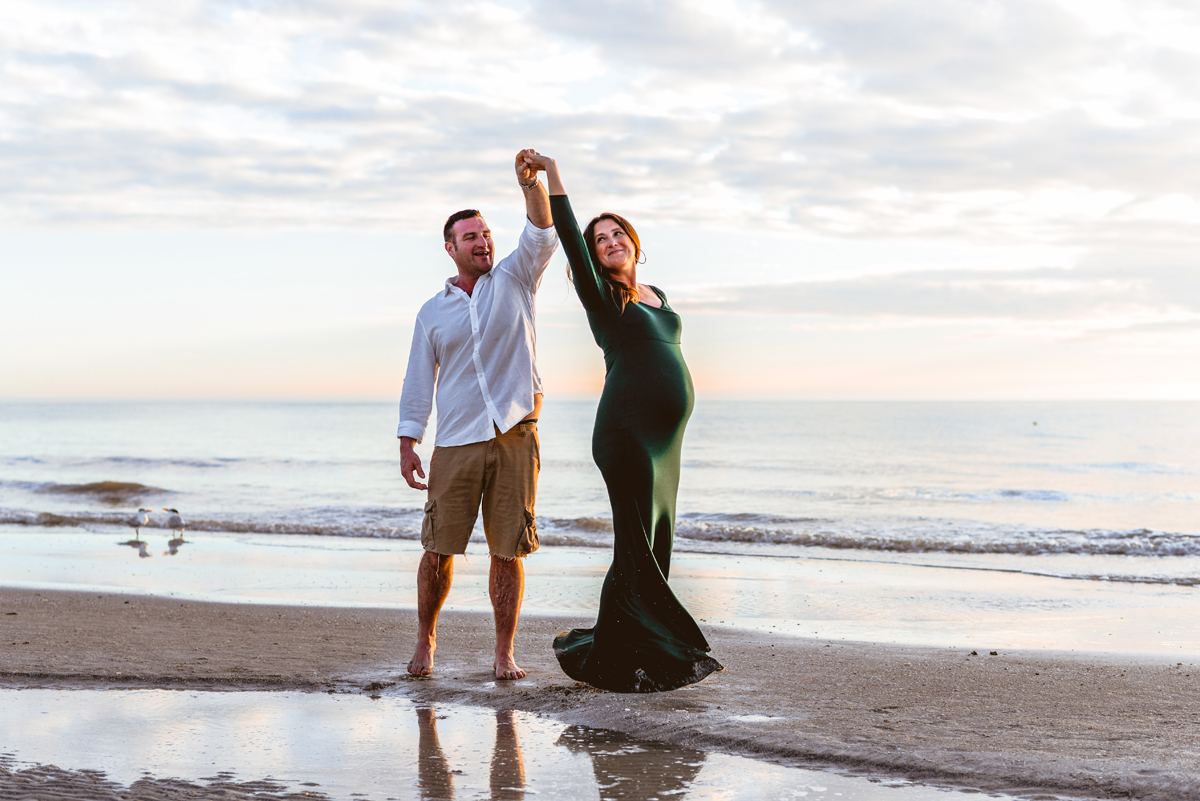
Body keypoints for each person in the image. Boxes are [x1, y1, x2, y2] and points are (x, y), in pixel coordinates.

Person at [519, 152, 722, 692]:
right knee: (636, 546)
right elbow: (565, 230)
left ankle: (634, 651)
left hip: (666, 442)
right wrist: (551, 173)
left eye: (617, 235)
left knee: (657, 543)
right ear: (593, 254)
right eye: (600, 239)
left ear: (635, 243)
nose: (610, 243)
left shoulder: (658, 295)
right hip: (627, 435)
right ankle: (617, 658)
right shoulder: (601, 296)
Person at [397, 149, 558, 681]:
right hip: (457, 441)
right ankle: (425, 643)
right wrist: (408, 440)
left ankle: (503, 653)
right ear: (451, 249)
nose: (483, 242)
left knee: (508, 551)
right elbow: (420, 379)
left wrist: (530, 183)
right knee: (438, 549)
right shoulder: (432, 311)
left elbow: (540, 229)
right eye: (471, 237)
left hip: (515, 433)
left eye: (486, 233)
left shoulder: (516, 278)